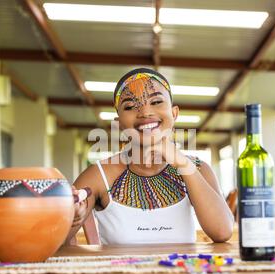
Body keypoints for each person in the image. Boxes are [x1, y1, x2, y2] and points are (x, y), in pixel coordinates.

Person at [68, 68, 234, 244]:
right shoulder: (97, 176)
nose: (145, 112)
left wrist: (181, 162)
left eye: (156, 101)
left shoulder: (199, 169)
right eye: (130, 106)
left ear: (174, 113)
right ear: (119, 123)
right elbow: (55, 243)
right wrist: (70, 218)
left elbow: (222, 232)